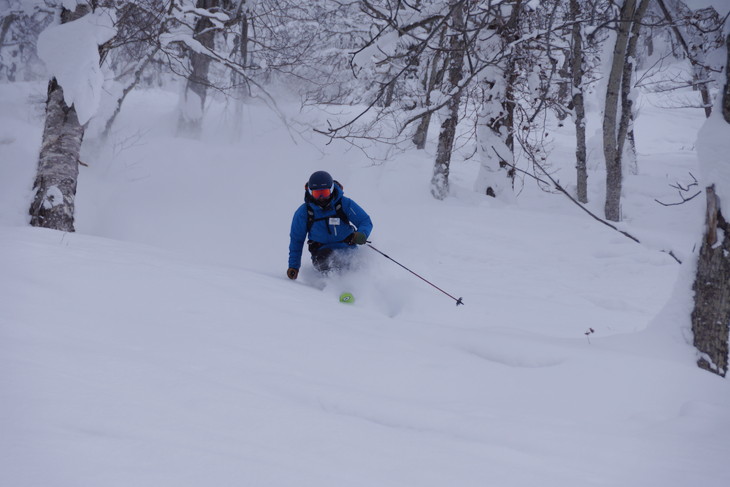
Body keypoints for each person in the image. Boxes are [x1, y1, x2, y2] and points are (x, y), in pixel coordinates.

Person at [287, 170, 373, 279]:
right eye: (317, 194)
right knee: (332, 265)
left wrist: (362, 233)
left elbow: (364, 221)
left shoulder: (343, 204)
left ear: (332, 190)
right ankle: (336, 289)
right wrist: (293, 266)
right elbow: (296, 240)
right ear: (310, 192)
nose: (321, 197)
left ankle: (360, 289)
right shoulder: (304, 212)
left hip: (347, 249)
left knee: (355, 267)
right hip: (321, 253)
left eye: (325, 192)